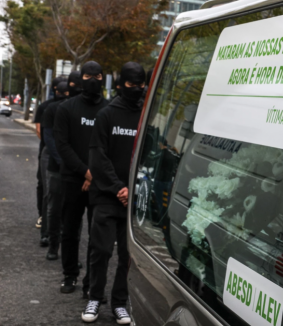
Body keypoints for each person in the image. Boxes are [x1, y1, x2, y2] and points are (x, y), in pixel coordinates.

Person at [81, 62, 146, 324]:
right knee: (101, 250)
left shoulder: (145, 115)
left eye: (141, 85)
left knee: (127, 257)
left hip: (133, 199)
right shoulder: (107, 115)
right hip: (107, 196)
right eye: (131, 85)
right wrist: (118, 188)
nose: (137, 89)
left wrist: (134, 188)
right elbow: (98, 157)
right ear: (121, 84)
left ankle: (120, 302)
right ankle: (95, 298)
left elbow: (148, 154)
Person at [54, 61, 109, 295]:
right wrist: (85, 171)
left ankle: (91, 284)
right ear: (81, 78)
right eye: (88, 76)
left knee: (97, 236)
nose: (93, 80)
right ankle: (70, 275)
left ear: (103, 78)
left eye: (98, 76)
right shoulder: (66, 108)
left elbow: (110, 147)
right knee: (70, 231)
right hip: (72, 179)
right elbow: (62, 146)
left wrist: (94, 173)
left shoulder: (109, 110)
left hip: (99, 182)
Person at [43, 74, 81, 260]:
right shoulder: (53, 109)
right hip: (57, 167)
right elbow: (50, 138)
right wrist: (63, 161)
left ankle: (70, 254)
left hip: (75, 170)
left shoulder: (83, 110)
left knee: (74, 214)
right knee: (54, 209)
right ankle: (53, 245)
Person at [34, 76, 65, 246]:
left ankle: (56, 228)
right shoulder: (46, 107)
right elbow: (42, 132)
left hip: (59, 156)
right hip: (48, 154)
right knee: (46, 189)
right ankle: (44, 224)